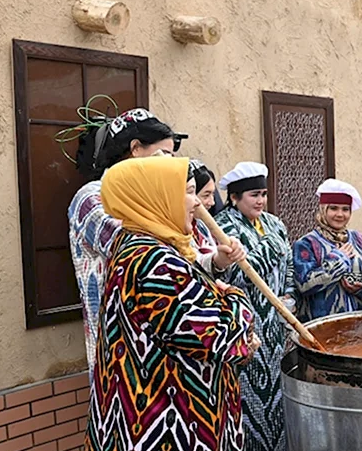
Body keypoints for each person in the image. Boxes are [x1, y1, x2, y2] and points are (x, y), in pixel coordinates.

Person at [72, 156, 259, 451]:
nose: (196, 204)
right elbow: (220, 335)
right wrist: (237, 305)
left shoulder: (143, 248)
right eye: (187, 192)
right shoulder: (154, 261)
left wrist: (216, 284)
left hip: (147, 416)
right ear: (152, 198)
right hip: (170, 431)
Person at [67, 108, 241, 380]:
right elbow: (151, 257)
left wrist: (217, 260)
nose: (169, 164)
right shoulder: (92, 198)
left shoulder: (167, 203)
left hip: (171, 344)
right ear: (135, 149)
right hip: (127, 343)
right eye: (164, 155)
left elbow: (187, 256)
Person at [216, 161, 295, 451]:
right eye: (253, 195)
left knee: (273, 393)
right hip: (246, 322)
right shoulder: (223, 227)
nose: (260, 201)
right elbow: (221, 273)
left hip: (276, 322)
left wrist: (288, 296)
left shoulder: (275, 224)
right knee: (246, 394)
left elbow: (288, 263)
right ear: (234, 197)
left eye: (263, 194)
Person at [293, 179, 362, 320]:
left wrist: (361, 287)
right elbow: (304, 285)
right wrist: (338, 260)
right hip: (320, 328)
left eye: (345, 209)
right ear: (323, 209)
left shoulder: (361, 242)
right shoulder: (307, 243)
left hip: (358, 327)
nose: (340, 214)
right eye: (333, 208)